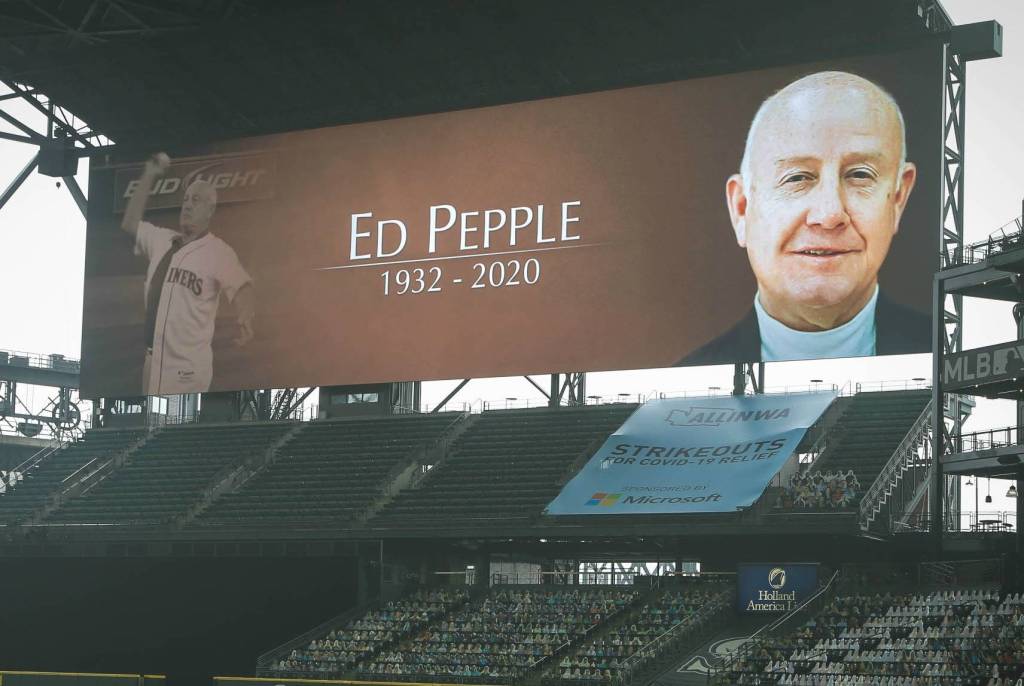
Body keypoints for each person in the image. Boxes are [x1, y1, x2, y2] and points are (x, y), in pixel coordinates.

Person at [680, 71, 929, 365]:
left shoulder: (953, 358)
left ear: (898, 198)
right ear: (742, 208)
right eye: (797, 177)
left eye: (860, 175)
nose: (829, 214)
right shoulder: (675, 394)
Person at [120, 152, 254, 395]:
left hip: (187, 369)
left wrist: (246, 316)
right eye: (186, 200)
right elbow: (129, 224)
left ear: (210, 209)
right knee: (146, 426)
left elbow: (242, 286)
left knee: (178, 428)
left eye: (196, 200)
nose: (188, 205)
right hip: (151, 361)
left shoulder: (218, 251)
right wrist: (149, 174)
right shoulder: (161, 239)